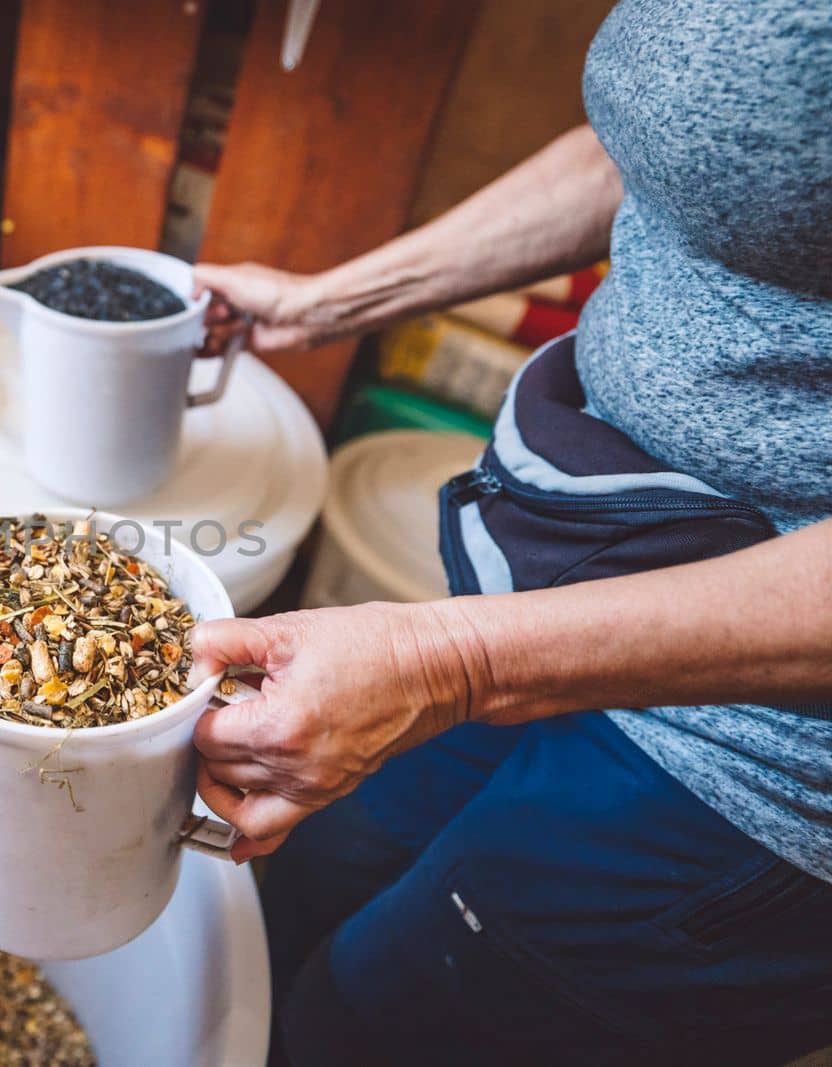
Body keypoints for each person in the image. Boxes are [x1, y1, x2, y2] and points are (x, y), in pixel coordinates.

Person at [188, 2, 832, 1063]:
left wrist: (451, 661)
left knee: (354, 1029)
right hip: (568, 565)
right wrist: (326, 302)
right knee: (290, 895)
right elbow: (665, 144)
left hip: (760, 765)